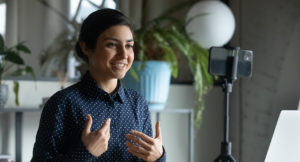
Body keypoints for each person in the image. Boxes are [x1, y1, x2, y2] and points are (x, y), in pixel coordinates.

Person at [31, 8, 166, 162]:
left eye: (129, 46)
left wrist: (158, 157)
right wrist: (85, 152)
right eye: (112, 45)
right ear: (86, 47)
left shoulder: (137, 102)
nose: (123, 55)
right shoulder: (63, 103)